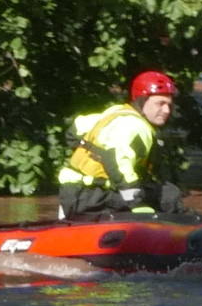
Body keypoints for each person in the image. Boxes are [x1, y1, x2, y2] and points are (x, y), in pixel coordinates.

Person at [57, 70, 190, 219]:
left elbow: (74, 132)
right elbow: (118, 161)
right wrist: (136, 204)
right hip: (91, 197)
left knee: (156, 188)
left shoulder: (116, 112)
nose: (166, 110)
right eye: (160, 104)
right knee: (169, 195)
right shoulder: (135, 126)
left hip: (73, 193)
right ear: (142, 101)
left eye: (169, 105)